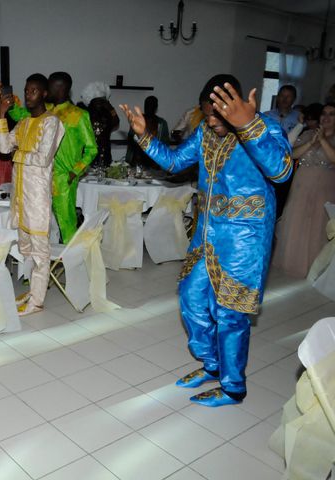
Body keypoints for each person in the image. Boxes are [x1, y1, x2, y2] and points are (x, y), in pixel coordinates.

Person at [121, 74, 292, 407]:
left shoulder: (265, 129)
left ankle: (233, 387)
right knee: (191, 298)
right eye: (206, 114)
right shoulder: (204, 132)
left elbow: (282, 171)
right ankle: (212, 365)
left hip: (245, 239)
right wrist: (145, 136)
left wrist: (248, 126)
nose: (211, 121)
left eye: (218, 114)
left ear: (236, 105)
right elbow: (173, 161)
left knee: (230, 314)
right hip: (205, 235)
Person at [0, 73, 64, 316]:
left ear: (44, 93)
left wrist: (18, 154)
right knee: (27, 249)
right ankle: (33, 291)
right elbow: (3, 147)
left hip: (38, 198)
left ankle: (38, 301)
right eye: (26, 90)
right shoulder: (23, 124)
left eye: (33, 90)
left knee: (41, 249)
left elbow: (44, 158)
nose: (27, 95)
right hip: (21, 197)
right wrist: (1, 115)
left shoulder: (51, 122)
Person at [273, 103, 335, 277]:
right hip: (301, 185)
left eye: (332, 114)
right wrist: (312, 142)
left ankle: (315, 267)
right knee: (297, 221)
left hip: (325, 186)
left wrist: (322, 140)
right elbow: (291, 155)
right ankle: (293, 263)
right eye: (324, 113)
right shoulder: (308, 134)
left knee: (318, 224)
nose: (326, 117)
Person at [47, 72, 97, 243]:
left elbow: (92, 149)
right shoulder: (46, 111)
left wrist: (74, 173)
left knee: (66, 223)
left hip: (64, 178)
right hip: (42, 176)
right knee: (42, 223)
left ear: (61, 88)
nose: (46, 89)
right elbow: (20, 115)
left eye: (50, 85)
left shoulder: (79, 115)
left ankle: (71, 265)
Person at [79, 81, 119, 170]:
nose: (100, 104)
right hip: (87, 155)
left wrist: (110, 108)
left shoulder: (108, 114)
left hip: (105, 154)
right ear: (91, 103)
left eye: (102, 102)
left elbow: (116, 122)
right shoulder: (85, 114)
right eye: (97, 102)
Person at [126, 95, 170, 171]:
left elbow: (165, 144)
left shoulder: (161, 124)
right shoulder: (137, 120)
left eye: (152, 105)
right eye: (147, 105)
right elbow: (130, 140)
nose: (149, 107)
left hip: (154, 163)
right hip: (137, 161)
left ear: (156, 107)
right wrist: (128, 160)